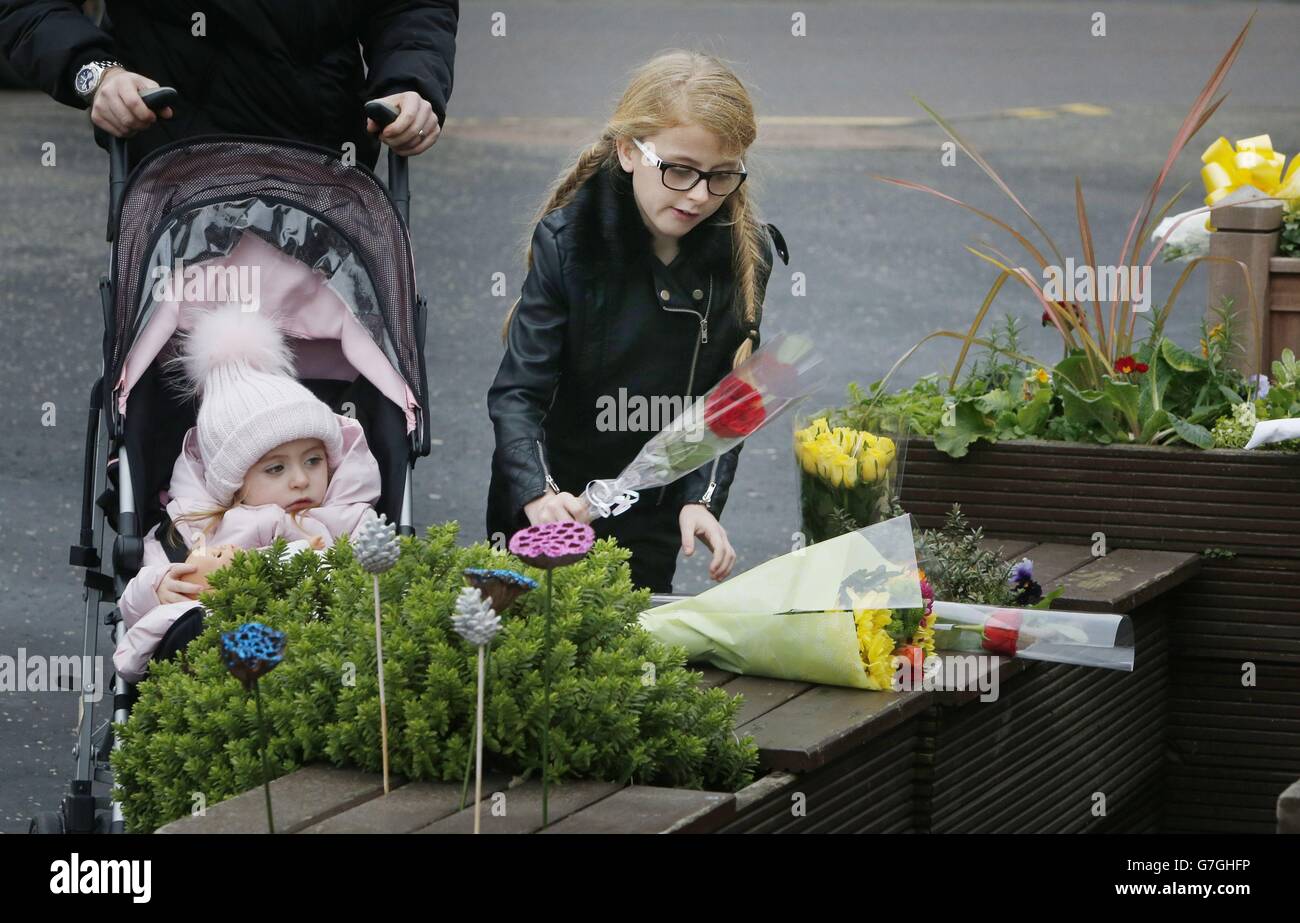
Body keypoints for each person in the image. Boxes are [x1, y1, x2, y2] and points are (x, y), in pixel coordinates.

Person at [486, 49, 789, 593]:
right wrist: (537, 491)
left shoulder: (745, 253)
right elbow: (517, 395)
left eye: (722, 176)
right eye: (679, 170)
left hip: (654, 508)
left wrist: (701, 501)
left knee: (628, 658)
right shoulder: (569, 240)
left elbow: (727, 399)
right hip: (550, 500)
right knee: (532, 651)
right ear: (628, 150)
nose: (699, 195)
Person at [112, 305, 383, 683]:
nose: (300, 480)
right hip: (215, 661)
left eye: (313, 461)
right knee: (185, 621)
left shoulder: (349, 519)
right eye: (276, 468)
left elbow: (377, 593)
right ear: (234, 481)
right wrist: (156, 586)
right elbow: (135, 601)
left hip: (314, 657)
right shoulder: (195, 526)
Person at [0, 0, 458, 169]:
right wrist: (97, 75)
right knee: (165, 375)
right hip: (172, 180)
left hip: (326, 177)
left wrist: (411, 85)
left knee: (330, 374)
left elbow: (411, 7)